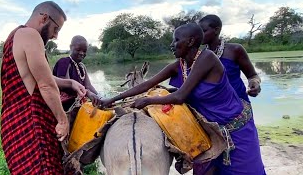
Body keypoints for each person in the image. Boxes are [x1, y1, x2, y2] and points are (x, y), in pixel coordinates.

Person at [100, 23, 265, 174]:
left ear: (191, 41)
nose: (172, 44)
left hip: (235, 128)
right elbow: (147, 84)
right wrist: (113, 99)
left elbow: (180, 96)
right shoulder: (179, 65)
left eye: (176, 40)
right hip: (207, 131)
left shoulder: (207, 58)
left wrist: (148, 101)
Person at [0, 1, 86, 174]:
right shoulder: (31, 35)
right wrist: (62, 121)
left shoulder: (15, 36)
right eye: (56, 29)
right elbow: (46, 84)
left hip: (12, 124)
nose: (55, 36)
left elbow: (36, 76)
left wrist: (69, 83)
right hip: (32, 125)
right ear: (44, 18)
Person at [198, 14, 265, 174]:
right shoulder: (199, 57)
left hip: (238, 115)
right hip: (211, 116)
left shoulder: (235, 50)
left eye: (203, 30)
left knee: (244, 160)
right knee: (210, 161)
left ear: (216, 30)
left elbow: (253, 76)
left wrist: (254, 85)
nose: (199, 35)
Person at [53, 35, 100, 111]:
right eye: (78, 50)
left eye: (84, 51)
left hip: (78, 102)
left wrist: (98, 97)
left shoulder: (82, 66)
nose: (81, 53)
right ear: (71, 47)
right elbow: (66, 86)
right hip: (65, 106)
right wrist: (87, 93)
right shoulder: (64, 62)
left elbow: (89, 86)